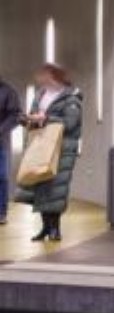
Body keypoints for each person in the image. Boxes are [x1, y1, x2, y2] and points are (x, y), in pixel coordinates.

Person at [14, 64, 82, 242]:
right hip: (42, 147)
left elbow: (71, 123)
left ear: (54, 76)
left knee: (55, 190)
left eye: (44, 75)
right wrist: (27, 120)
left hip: (61, 150)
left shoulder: (71, 97)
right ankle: (45, 228)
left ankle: (55, 229)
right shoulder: (40, 95)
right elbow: (35, 118)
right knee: (41, 189)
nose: (40, 78)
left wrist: (46, 118)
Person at [0, 74, 20, 226]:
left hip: (1, 143)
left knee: (2, 177)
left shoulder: (8, 91)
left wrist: (0, 130)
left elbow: (15, 115)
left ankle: (1, 212)